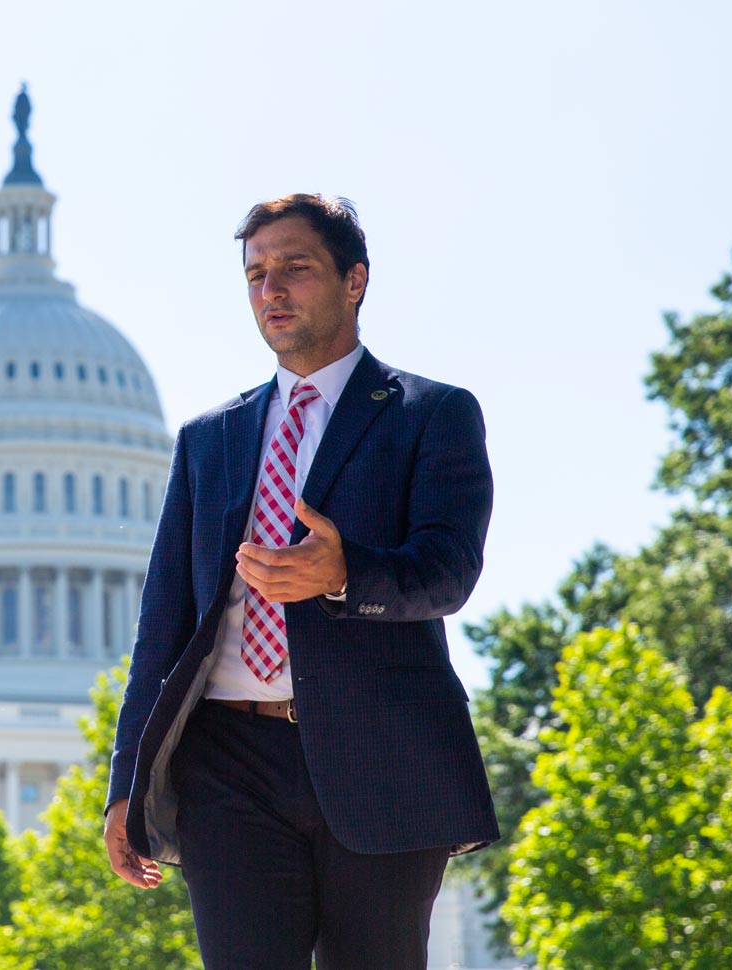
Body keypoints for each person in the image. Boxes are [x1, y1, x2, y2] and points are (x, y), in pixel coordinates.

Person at [103, 194, 498, 968]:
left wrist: (346, 573)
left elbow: (449, 574)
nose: (271, 291)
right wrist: (128, 780)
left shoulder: (432, 414)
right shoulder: (208, 439)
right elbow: (165, 626)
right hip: (227, 764)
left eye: (295, 269)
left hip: (380, 755)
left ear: (354, 281)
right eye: (255, 275)